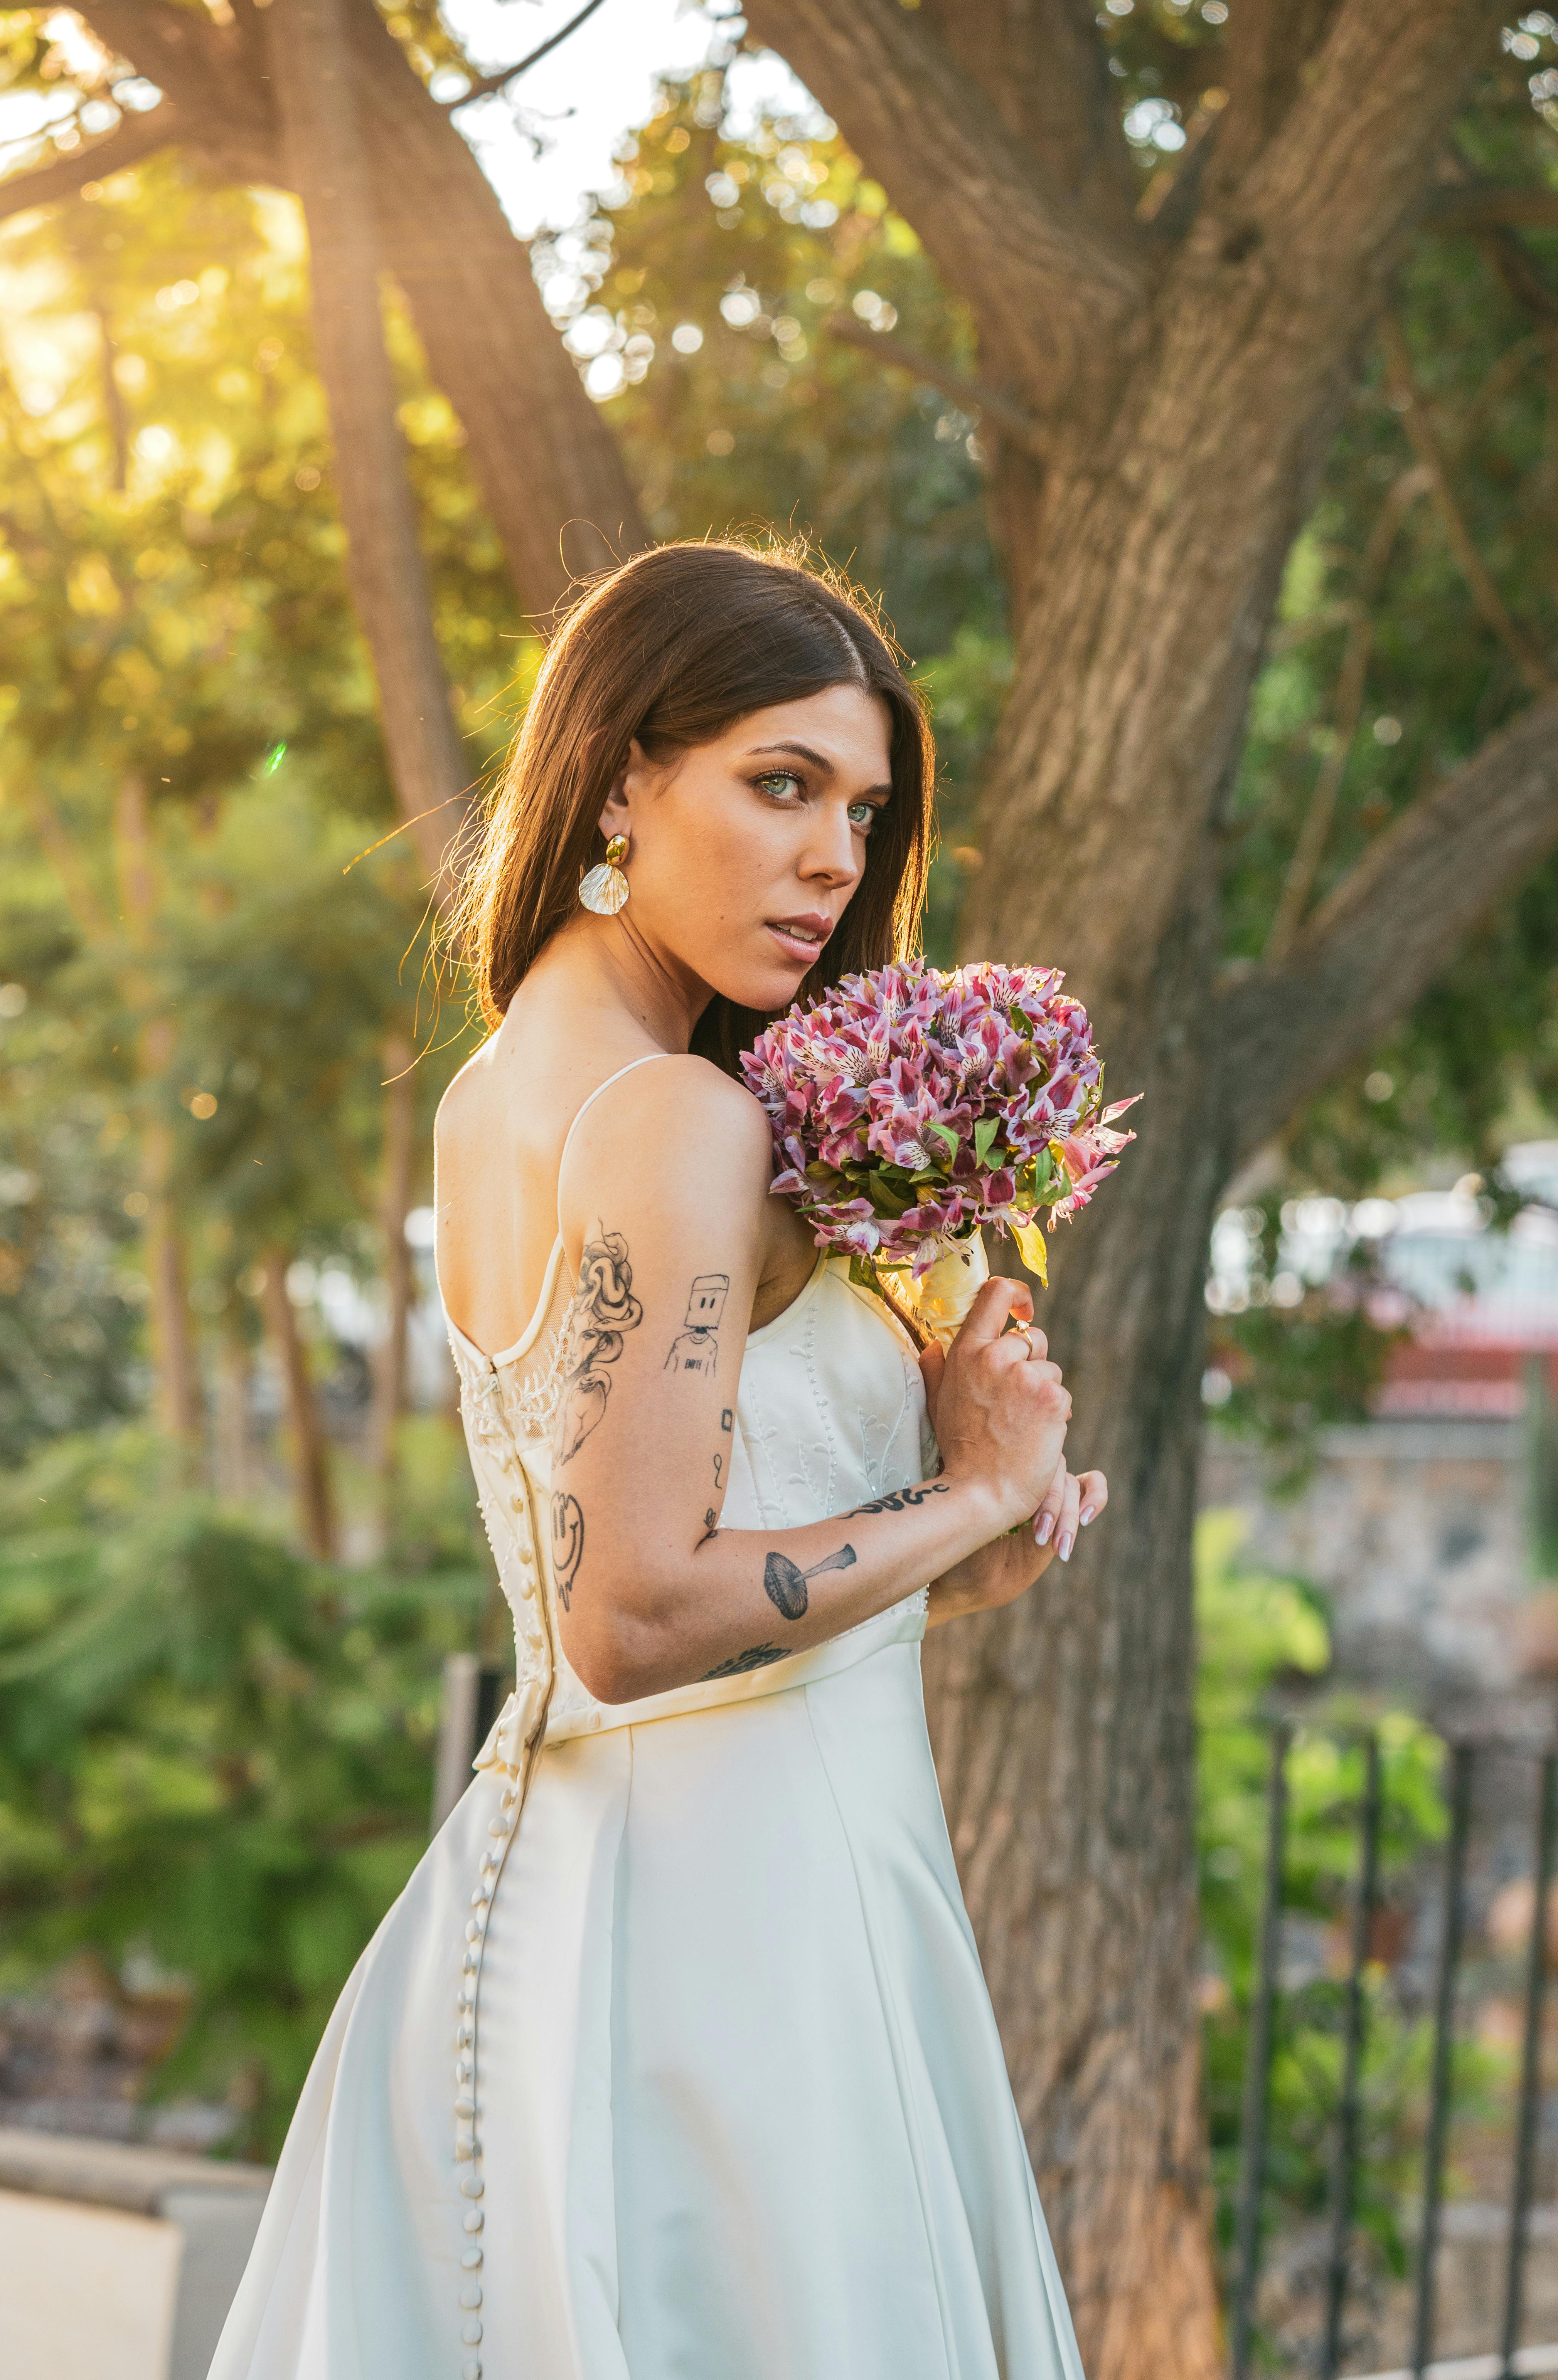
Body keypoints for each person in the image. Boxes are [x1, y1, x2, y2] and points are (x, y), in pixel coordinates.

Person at [209, 541, 1107, 2380]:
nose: (835, 859)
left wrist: (963, 1541)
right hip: (740, 1942)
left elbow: (632, 1556)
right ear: (624, 774)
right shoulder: (679, 1118)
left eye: (862, 809)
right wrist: (977, 1488)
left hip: (570, 1900)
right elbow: (637, 1612)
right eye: (779, 783)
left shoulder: (504, 1091)